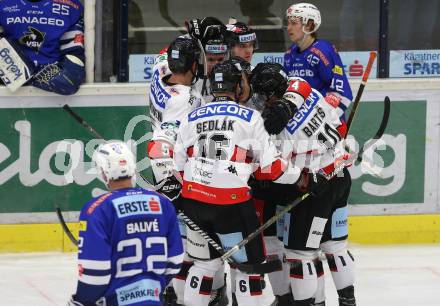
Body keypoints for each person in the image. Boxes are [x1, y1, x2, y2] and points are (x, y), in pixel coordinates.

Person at [173, 59, 301, 306]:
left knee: (203, 266)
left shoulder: (191, 117)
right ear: (237, 87)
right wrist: (301, 177)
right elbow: (271, 169)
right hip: (232, 206)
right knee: (248, 269)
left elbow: (177, 166)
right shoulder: (251, 117)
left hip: (194, 204)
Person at [147, 33, 228, 306]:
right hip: (181, 177)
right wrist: (172, 184)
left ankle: (178, 293)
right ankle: (194, 298)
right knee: (197, 253)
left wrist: (192, 37)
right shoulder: (184, 100)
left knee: (186, 247)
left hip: (172, 175)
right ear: (192, 64)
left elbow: (168, 49)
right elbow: (159, 147)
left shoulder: (160, 68)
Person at [68, 141, 183, 306]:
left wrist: (81, 301)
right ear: (133, 168)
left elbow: (95, 273)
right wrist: (150, 290)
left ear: (103, 172)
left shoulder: (97, 209)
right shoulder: (163, 204)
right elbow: (175, 259)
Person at [274, 78, 356, 306]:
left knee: (301, 254)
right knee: (336, 247)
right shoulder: (312, 95)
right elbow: (340, 127)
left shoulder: (279, 126)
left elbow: (277, 168)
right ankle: (348, 301)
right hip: (339, 177)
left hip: (316, 187)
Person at [284, 2, 352, 125]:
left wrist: (325, 119)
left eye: (293, 23)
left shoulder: (323, 51)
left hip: (325, 125)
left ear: (309, 25)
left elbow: (342, 94)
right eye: (288, 23)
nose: (289, 28)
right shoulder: (290, 53)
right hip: (300, 125)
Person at [0, 0, 85, 95]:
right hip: (8, 90)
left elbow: (75, 52)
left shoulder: (71, 6)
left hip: (52, 90)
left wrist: (70, 73)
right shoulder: (3, 3)